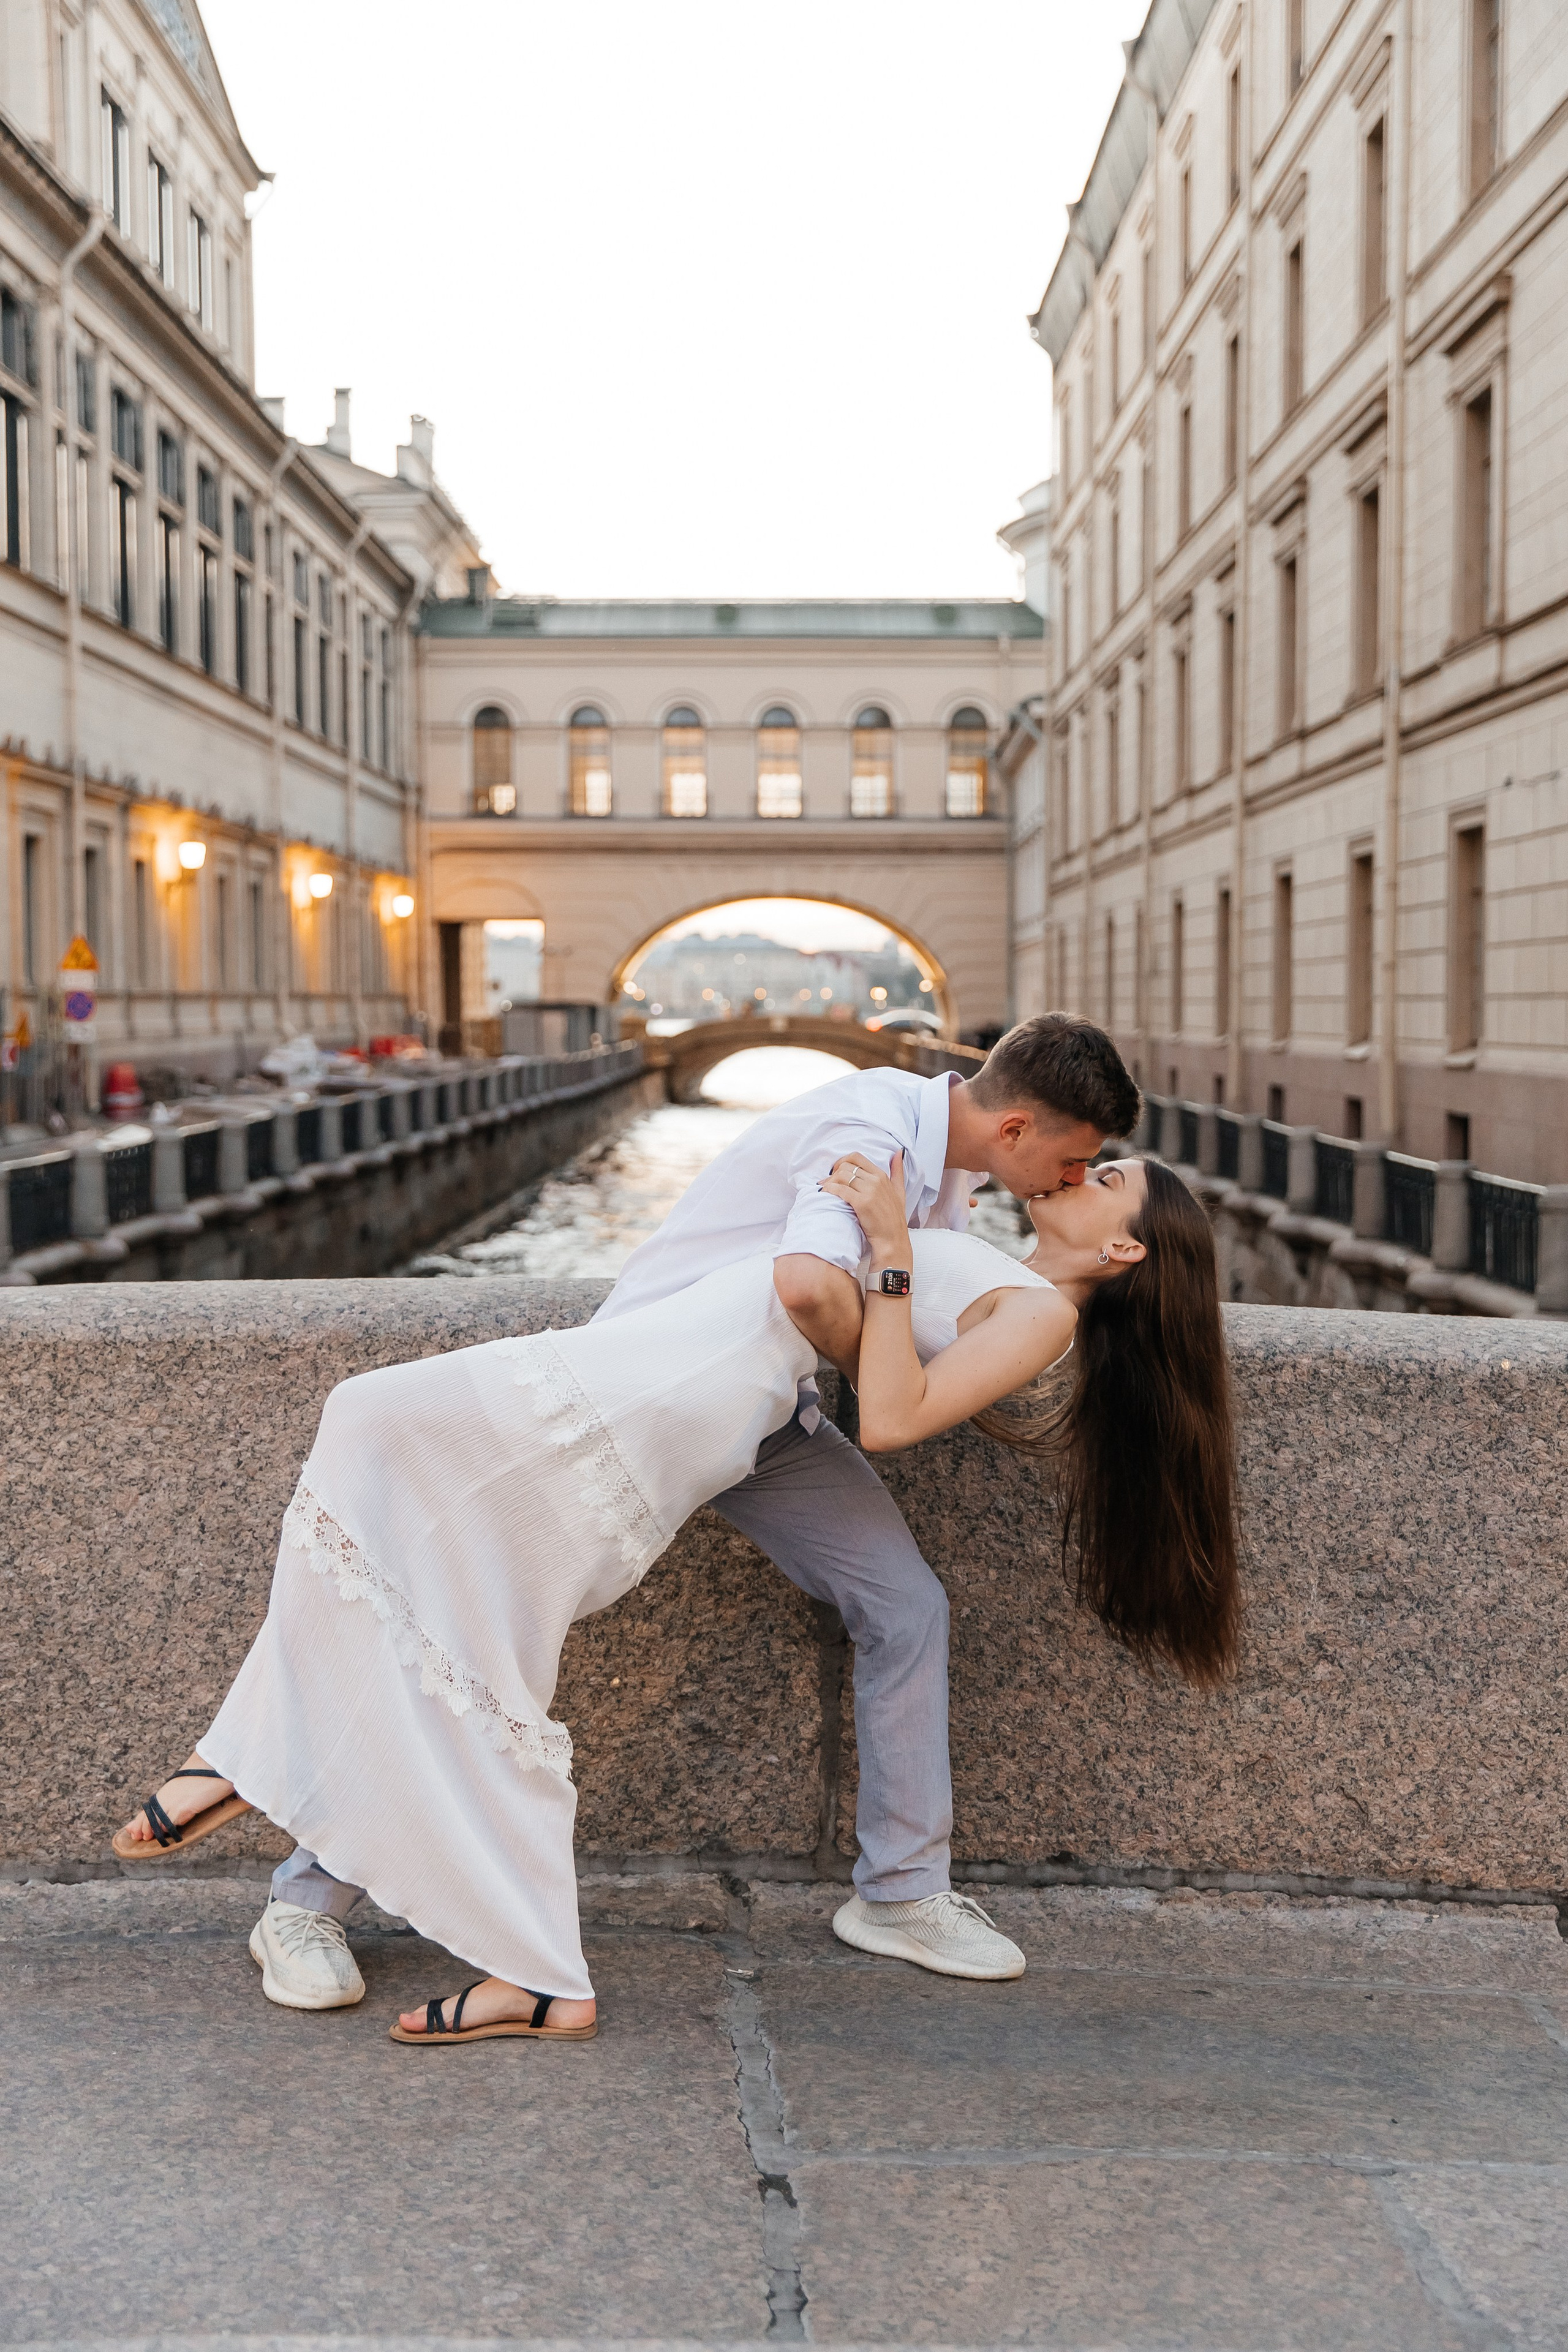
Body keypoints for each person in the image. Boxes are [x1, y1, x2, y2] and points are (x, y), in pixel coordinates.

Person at [113, 1016, 1232, 2038]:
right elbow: (808, 1287)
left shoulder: (962, 1206)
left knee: (904, 1607)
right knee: (470, 1602)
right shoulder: (874, 1130)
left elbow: (879, 1355)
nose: (1075, 1178)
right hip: (659, 1391)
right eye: (1080, 1158)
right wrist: (881, 1274)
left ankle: (901, 1892)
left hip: (766, 1415)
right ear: (1022, 1124)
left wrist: (889, 1270)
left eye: (1099, 1177)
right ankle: (302, 1891)